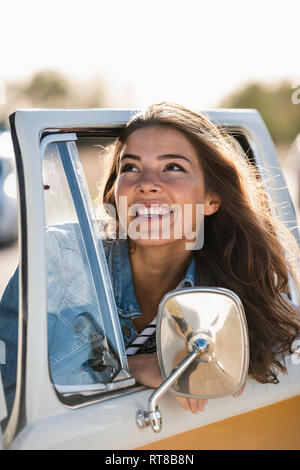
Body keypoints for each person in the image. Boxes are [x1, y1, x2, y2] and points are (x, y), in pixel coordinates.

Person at [1, 102, 300, 418]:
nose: (146, 182)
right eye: (130, 167)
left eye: (172, 167)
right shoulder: (62, 255)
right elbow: (9, 387)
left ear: (211, 198)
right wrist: (127, 368)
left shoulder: (238, 283)